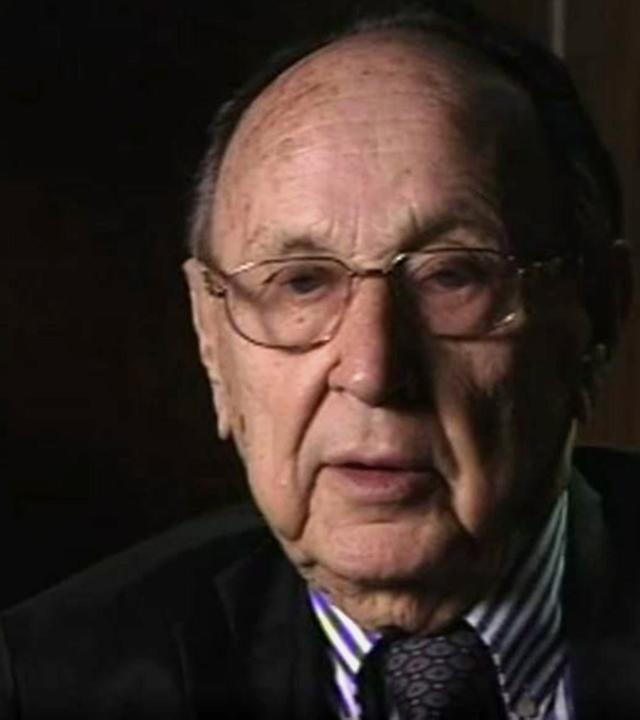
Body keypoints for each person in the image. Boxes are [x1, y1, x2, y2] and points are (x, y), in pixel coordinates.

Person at [0, 2, 637, 718]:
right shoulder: (50, 682)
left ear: (597, 315)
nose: (371, 371)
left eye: (453, 275)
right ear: (211, 339)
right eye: (301, 282)